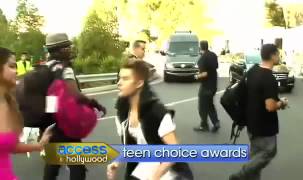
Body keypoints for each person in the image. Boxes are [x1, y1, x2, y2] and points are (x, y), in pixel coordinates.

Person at [107, 60, 193, 180]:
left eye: (125, 79)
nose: (119, 83)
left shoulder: (156, 112)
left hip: (168, 170)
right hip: (146, 165)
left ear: (139, 83)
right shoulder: (122, 113)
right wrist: (117, 162)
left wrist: (155, 176)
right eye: (119, 78)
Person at [42, 33, 106, 180]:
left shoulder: (45, 67)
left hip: (49, 118)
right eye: (67, 46)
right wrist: (95, 104)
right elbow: (75, 95)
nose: (70, 49)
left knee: (53, 159)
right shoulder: (65, 69)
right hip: (64, 120)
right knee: (77, 164)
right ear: (59, 49)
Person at [229, 44, 289, 180]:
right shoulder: (269, 78)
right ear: (272, 56)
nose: (279, 57)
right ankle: (241, 175)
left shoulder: (253, 70)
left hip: (251, 122)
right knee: (269, 152)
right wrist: (282, 103)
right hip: (264, 125)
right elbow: (270, 106)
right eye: (278, 54)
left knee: (256, 157)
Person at [0, 47, 52, 180]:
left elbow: (10, 146)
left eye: (16, 66)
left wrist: (39, 145)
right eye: (11, 66)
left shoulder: (8, 101)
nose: (16, 71)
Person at [193, 40, 220, 133]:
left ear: (200, 47)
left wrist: (197, 76)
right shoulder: (213, 55)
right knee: (209, 105)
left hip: (206, 86)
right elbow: (216, 67)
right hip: (213, 85)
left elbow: (204, 73)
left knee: (202, 107)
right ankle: (216, 122)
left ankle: (204, 125)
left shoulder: (202, 58)